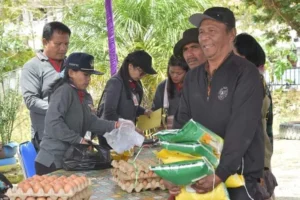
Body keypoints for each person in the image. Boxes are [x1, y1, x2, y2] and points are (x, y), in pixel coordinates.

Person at [167, 7, 264, 200]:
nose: (204, 37)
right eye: (202, 32)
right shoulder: (193, 77)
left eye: (212, 31)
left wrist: (220, 173)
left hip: (237, 177)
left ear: (231, 34)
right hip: (200, 174)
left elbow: (241, 129)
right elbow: (182, 125)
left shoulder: (246, 73)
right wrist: (173, 169)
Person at [35, 52, 129, 175]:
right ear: (71, 73)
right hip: (52, 162)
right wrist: (79, 140)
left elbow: (90, 121)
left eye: (89, 75)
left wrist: (116, 125)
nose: (88, 79)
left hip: (68, 160)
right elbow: (53, 123)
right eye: (85, 75)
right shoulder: (64, 91)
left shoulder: (80, 94)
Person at [234, 33, 277, 199]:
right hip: (260, 156)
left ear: (243, 57)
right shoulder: (257, 78)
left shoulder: (252, 82)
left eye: (233, 54)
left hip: (255, 159)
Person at [21, 22, 71, 150]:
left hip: (72, 135)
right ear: (45, 42)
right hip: (47, 138)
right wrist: (59, 108)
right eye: (58, 44)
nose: (63, 48)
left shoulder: (72, 66)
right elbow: (31, 100)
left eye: (66, 44)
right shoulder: (32, 67)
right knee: (53, 171)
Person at [97, 50, 157, 147]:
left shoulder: (135, 84)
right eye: (141, 72)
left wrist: (144, 111)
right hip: (111, 137)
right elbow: (109, 113)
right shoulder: (115, 82)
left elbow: (133, 106)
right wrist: (130, 128)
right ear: (130, 66)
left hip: (125, 135)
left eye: (144, 74)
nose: (142, 76)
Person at [152, 55, 189, 129]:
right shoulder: (162, 87)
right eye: (172, 72)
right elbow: (156, 111)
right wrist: (159, 124)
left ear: (187, 71)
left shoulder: (194, 86)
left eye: (179, 73)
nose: (174, 76)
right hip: (168, 132)